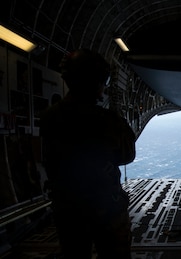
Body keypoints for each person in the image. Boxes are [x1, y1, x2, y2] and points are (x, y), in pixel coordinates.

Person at [40, 49, 136, 259]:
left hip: (68, 206)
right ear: (97, 83)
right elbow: (127, 154)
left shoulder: (49, 117)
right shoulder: (105, 119)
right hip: (105, 205)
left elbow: (49, 157)